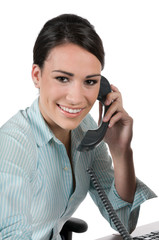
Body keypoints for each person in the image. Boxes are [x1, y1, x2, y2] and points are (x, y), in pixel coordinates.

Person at [0, 14, 156, 240]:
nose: (76, 99)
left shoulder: (85, 129)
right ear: (37, 75)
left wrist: (121, 151)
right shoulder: (12, 146)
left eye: (90, 82)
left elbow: (123, 221)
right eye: (63, 78)